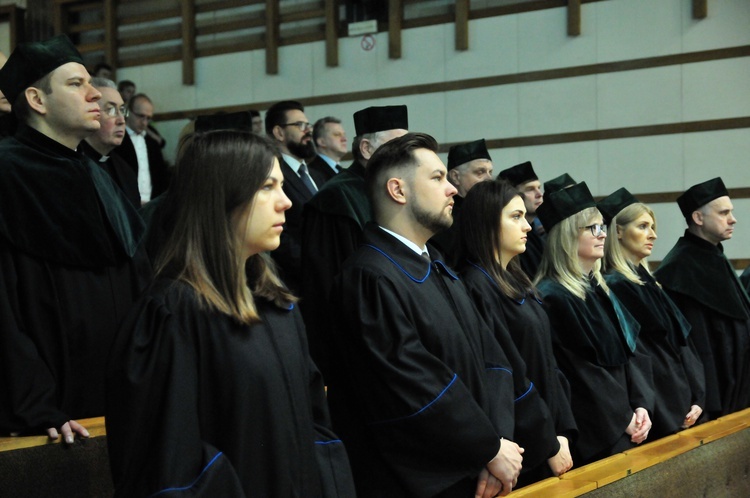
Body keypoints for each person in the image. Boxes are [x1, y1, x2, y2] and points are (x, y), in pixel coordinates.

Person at [106, 130, 355, 497]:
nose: (285, 202)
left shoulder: (278, 306)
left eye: (283, 186)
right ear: (222, 197)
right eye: (267, 187)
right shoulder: (171, 315)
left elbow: (315, 426)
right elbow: (170, 464)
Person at [327, 132, 524, 498]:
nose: (452, 189)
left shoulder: (439, 267)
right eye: (437, 178)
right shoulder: (369, 276)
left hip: (481, 465)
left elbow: (494, 360)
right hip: (422, 481)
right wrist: (488, 447)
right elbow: (413, 385)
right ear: (398, 191)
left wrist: (498, 443)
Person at [0, 35, 148, 443]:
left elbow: (136, 275)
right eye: (75, 84)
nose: (95, 95)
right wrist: (32, 400)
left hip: (119, 393)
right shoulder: (7, 173)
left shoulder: (98, 173)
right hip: (52, 411)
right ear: (36, 99)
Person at [458, 180, 576, 485]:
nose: (527, 225)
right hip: (521, 443)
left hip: (548, 434)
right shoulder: (476, 285)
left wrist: (561, 432)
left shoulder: (517, 278)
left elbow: (548, 362)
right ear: (487, 222)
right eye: (515, 217)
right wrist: (547, 442)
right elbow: (505, 373)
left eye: (525, 216)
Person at [534, 182, 654, 465]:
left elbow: (630, 352)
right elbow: (578, 371)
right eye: (593, 229)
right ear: (567, 236)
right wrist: (622, 417)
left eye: (603, 227)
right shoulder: (553, 295)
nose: (603, 235)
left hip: (627, 421)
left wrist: (641, 405)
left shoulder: (601, 289)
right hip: (598, 429)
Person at [300, 105, 408, 377]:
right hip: (358, 340)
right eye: (397, 146)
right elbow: (326, 284)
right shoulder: (336, 197)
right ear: (366, 150)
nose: (407, 156)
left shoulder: (394, 190)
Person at [600, 188, 705, 439]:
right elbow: (645, 353)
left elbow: (681, 342)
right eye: (643, 226)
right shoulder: (616, 285)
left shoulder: (648, 282)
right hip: (660, 404)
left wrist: (697, 396)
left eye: (653, 227)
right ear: (618, 231)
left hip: (680, 397)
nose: (653, 235)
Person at [654, 177, 750, 418]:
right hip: (715, 394)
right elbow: (697, 344)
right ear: (698, 218)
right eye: (724, 212)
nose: (733, 219)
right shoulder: (679, 268)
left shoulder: (714, 255)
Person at [265, 100, 327, 292]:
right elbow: (279, 234)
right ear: (279, 132)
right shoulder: (274, 176)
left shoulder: (317, 174)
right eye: (299, 125)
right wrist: (314, 268)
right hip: (301, 282)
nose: (307, 130)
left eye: (308, 125)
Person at [430, 138, 493, 265]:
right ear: (455, 177)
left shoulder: (487, 212)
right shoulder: (445, 218)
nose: (489, 178)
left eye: (490, 172)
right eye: (480, 172)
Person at [79, 77, 140, 207]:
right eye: (111, 110)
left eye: (122, 110)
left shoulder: (126, 171)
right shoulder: (74, 167)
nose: (121, 120)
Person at [113, 93, 170, 204]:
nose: (144, 122)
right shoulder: (117, 141)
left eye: (148, 118)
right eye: (140, 116)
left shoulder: (152, 143)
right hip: (126, 204)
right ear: (128, 112)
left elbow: (161, 176)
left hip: (152, 204)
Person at [498, 161, 545, 279]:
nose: (539, 194)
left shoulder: (536, 232)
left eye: (539, 188)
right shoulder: (512, 240)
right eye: (530, 189)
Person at [309, 116, 348, 184]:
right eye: (337, 134)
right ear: (322, 142)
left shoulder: (342, 170)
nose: (344, 139)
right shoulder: (313, 171)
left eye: (344, 135)